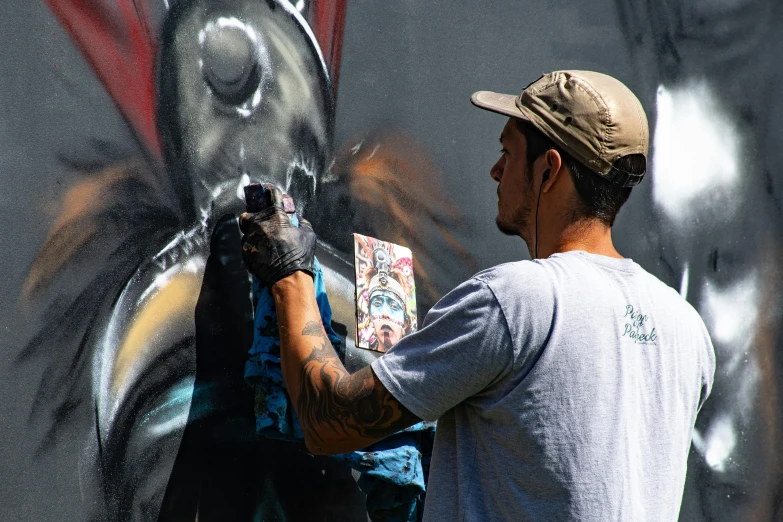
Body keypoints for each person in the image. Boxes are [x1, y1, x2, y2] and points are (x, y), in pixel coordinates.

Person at [239, 70, 716, 521]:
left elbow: (332, 419)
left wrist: (289, 272)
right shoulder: (687, 331)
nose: (494, 170)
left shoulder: (517, 301)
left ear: (549, 170)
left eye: (508, 153)